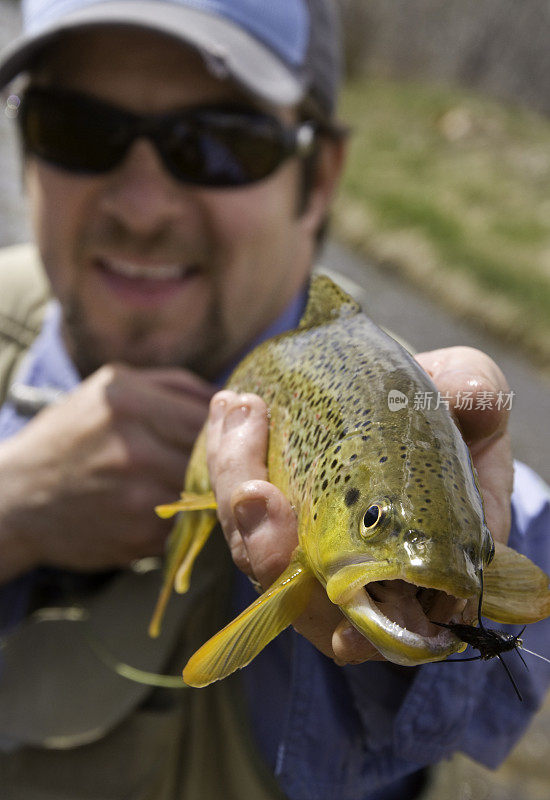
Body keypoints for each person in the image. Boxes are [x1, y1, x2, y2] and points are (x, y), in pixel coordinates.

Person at [0, 1, 548, 798]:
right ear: (24, 153)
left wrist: (476, 537)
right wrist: (12, 512)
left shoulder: (412, 406)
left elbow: (531, 548)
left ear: (319, 177)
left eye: (218, 143)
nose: (142, 208)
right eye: (78, 128)